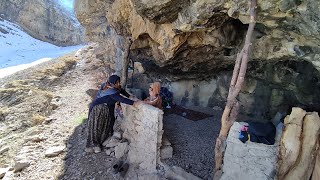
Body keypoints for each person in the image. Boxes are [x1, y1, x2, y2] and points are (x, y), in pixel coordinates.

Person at [86, 75, 141, 153]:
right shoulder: (110, 91)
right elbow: (120, 99)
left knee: (110, 121)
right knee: (97, 125)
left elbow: (121, 90)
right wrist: (134, 103)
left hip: (107, 107)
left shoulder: (113, 87)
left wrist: (129, 96)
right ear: (113, 83)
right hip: (98, 109)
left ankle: (104, 138)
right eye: (117, 82)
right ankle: (94, 144)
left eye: (119, 81)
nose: (119, 83)